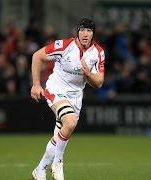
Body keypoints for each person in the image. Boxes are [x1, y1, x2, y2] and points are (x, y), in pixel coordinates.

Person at [30, 17, 105, 180]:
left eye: (89, 30)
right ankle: (58, 164)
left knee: (60, 135)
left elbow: (99, 82)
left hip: (76, 96)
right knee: (70, 122)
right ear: (77, 32)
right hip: (56, 89)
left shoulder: (98, 52)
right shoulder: (64, 46)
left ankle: (40, 170)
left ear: (93, 34)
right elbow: (37, 56)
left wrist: (88, 73)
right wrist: (36, 85)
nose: (85, 34)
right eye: (82, 30)